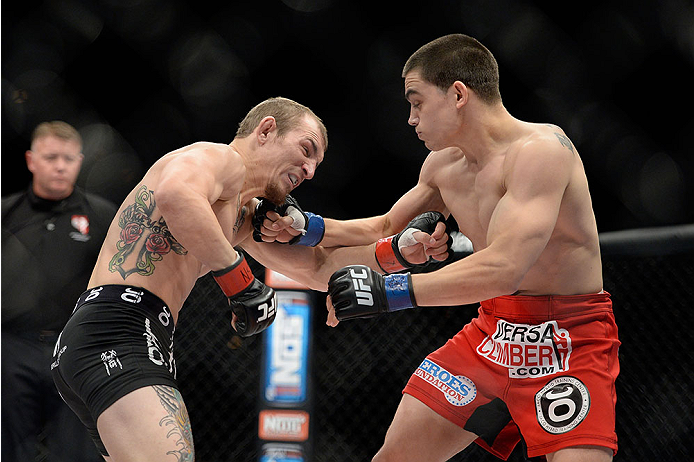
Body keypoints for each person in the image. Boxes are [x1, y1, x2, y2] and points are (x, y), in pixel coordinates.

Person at [263, 34, 620, 461]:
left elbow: (504, 266)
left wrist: (390, 292)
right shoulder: (443, 166)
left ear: (457, 94)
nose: (411, 119)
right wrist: (307, 228)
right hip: (496, 331)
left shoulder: (541, 152)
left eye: (417, 102)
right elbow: (383, 226)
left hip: (568, 339)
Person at [48, 97, 448, 461]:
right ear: (266, 130)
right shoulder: (219, 159)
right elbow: (175, 196)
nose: (309, 171)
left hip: (134, 335)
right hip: (116, 330)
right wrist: (238, 280)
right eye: (306, 150)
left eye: (316, 166)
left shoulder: (241, 215)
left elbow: (316, 269)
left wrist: (396, 252)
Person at [1, 121, 117, 462]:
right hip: (12, 347)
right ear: (31, 160)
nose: (60, 166)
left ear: (80, 161)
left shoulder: (102, 216)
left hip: (75, 349)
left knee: (78, 450)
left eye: (68, 158)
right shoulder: (6, 215)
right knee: (9, 446)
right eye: (51, 157)